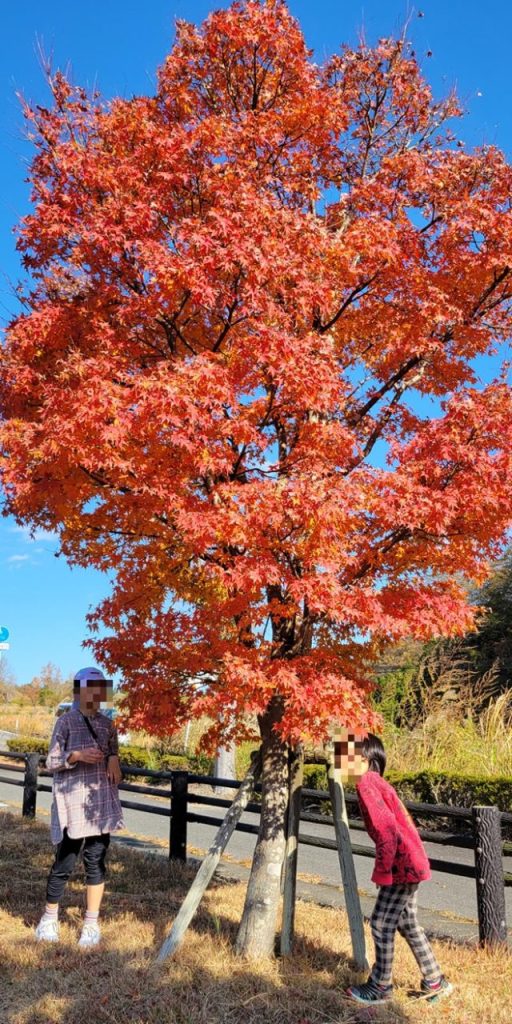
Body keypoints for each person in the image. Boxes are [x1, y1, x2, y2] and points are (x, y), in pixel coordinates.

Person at [339, 732, 453, 1005]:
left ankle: (381, 986)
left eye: (344, 757)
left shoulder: (366, 783)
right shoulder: (376, 782)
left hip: (402, 865)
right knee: (407, 923)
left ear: (363, 760)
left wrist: (383, 871)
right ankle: (435, 980)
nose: (339, 763)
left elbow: (387, 832)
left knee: (381, 923)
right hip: (413, 862)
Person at [35, 666, 124, 948]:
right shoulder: (65, 721)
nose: (96, 694)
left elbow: (113, 754)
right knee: (65, 861)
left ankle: (91, 923)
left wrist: (113, 759)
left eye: (101, 688)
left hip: (99, 804)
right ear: (80, 691)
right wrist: (75, 755)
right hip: (72, 802)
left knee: (96, 862)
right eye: (90, 687)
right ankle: (49, 918)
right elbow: (51, 762)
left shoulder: (108, 725)